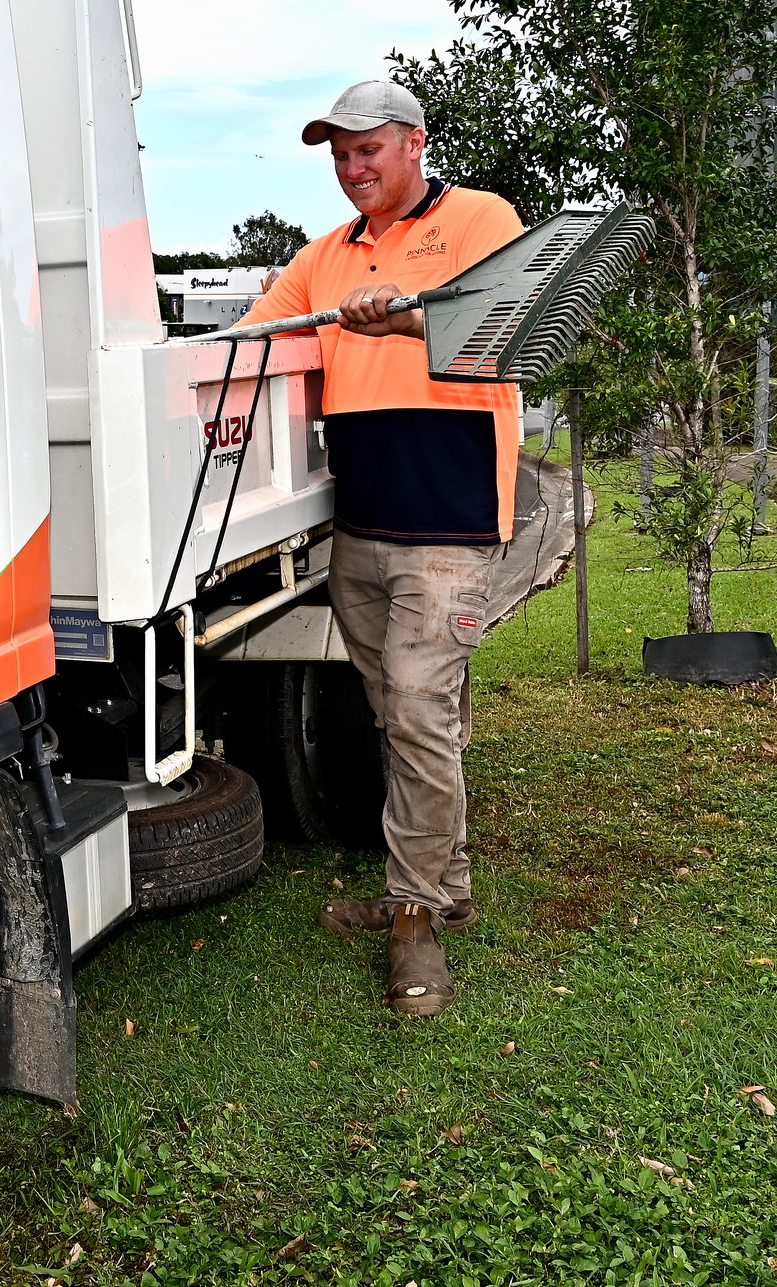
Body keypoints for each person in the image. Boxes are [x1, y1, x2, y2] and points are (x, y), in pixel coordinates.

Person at [235, 81, 524, 1016]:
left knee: (416, 710)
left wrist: (402, 316)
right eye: (341, 155)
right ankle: (448, 886)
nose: (354, 168)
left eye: (369, 150)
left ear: (415, 144)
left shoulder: (479, 219)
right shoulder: (323, 257)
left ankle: (413, 919)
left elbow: (509, 325)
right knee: (401, 715)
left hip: (450, 524)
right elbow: (248, 339)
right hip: (360, 527)